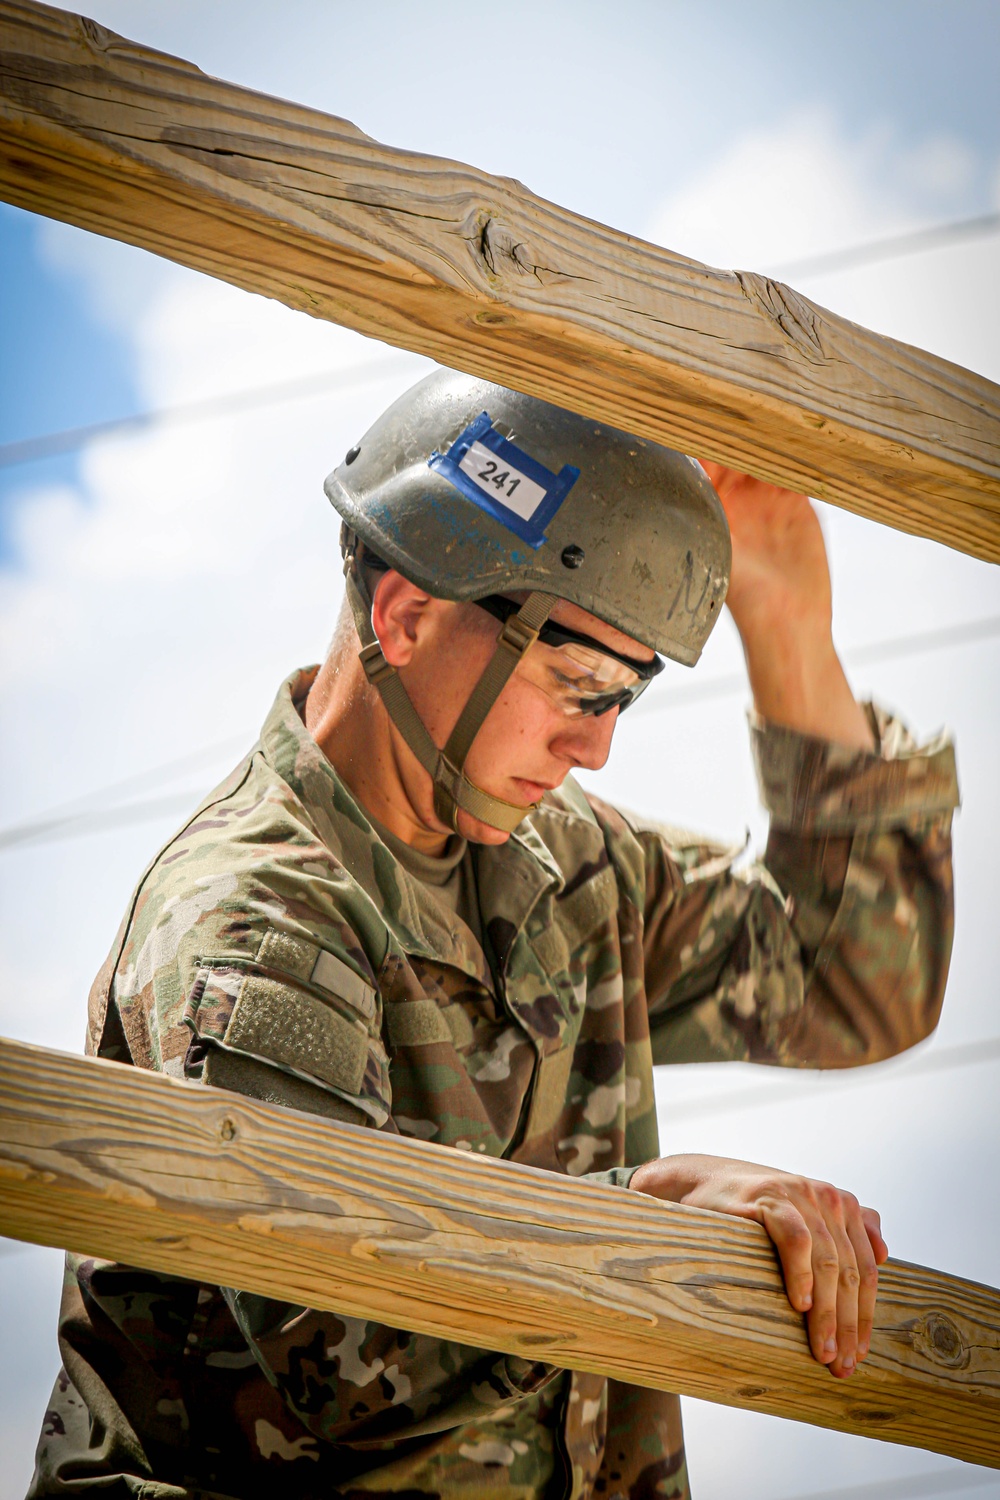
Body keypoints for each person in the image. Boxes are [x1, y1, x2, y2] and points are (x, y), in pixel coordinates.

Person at [30, 371, 959, 1500]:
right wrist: (654, 1215)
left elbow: (853, 981)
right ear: (405, 615)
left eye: (626, 697)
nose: (597, 748)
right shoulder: (254, 919)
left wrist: (784, 615)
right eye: (576, 687)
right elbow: (350, 1354)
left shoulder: (566, 864)